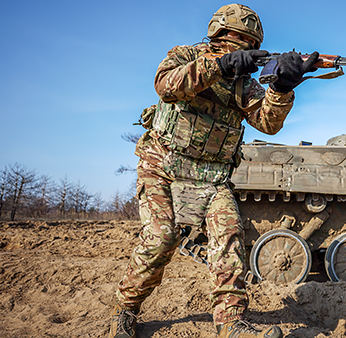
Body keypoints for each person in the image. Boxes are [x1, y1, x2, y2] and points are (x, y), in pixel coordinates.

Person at [108, 4, 319, 338]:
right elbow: (166, 85)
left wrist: (281, 89)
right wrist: (218, 66)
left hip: (212, 175)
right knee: (161, 240)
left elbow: (267, 123)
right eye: (235, 38)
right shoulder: (186, 55)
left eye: (247, 43)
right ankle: (125, 311)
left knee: (230, 238)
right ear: (217, 34)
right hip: (164, 164)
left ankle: (231, 323)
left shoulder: (245, 84)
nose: (239, 47)